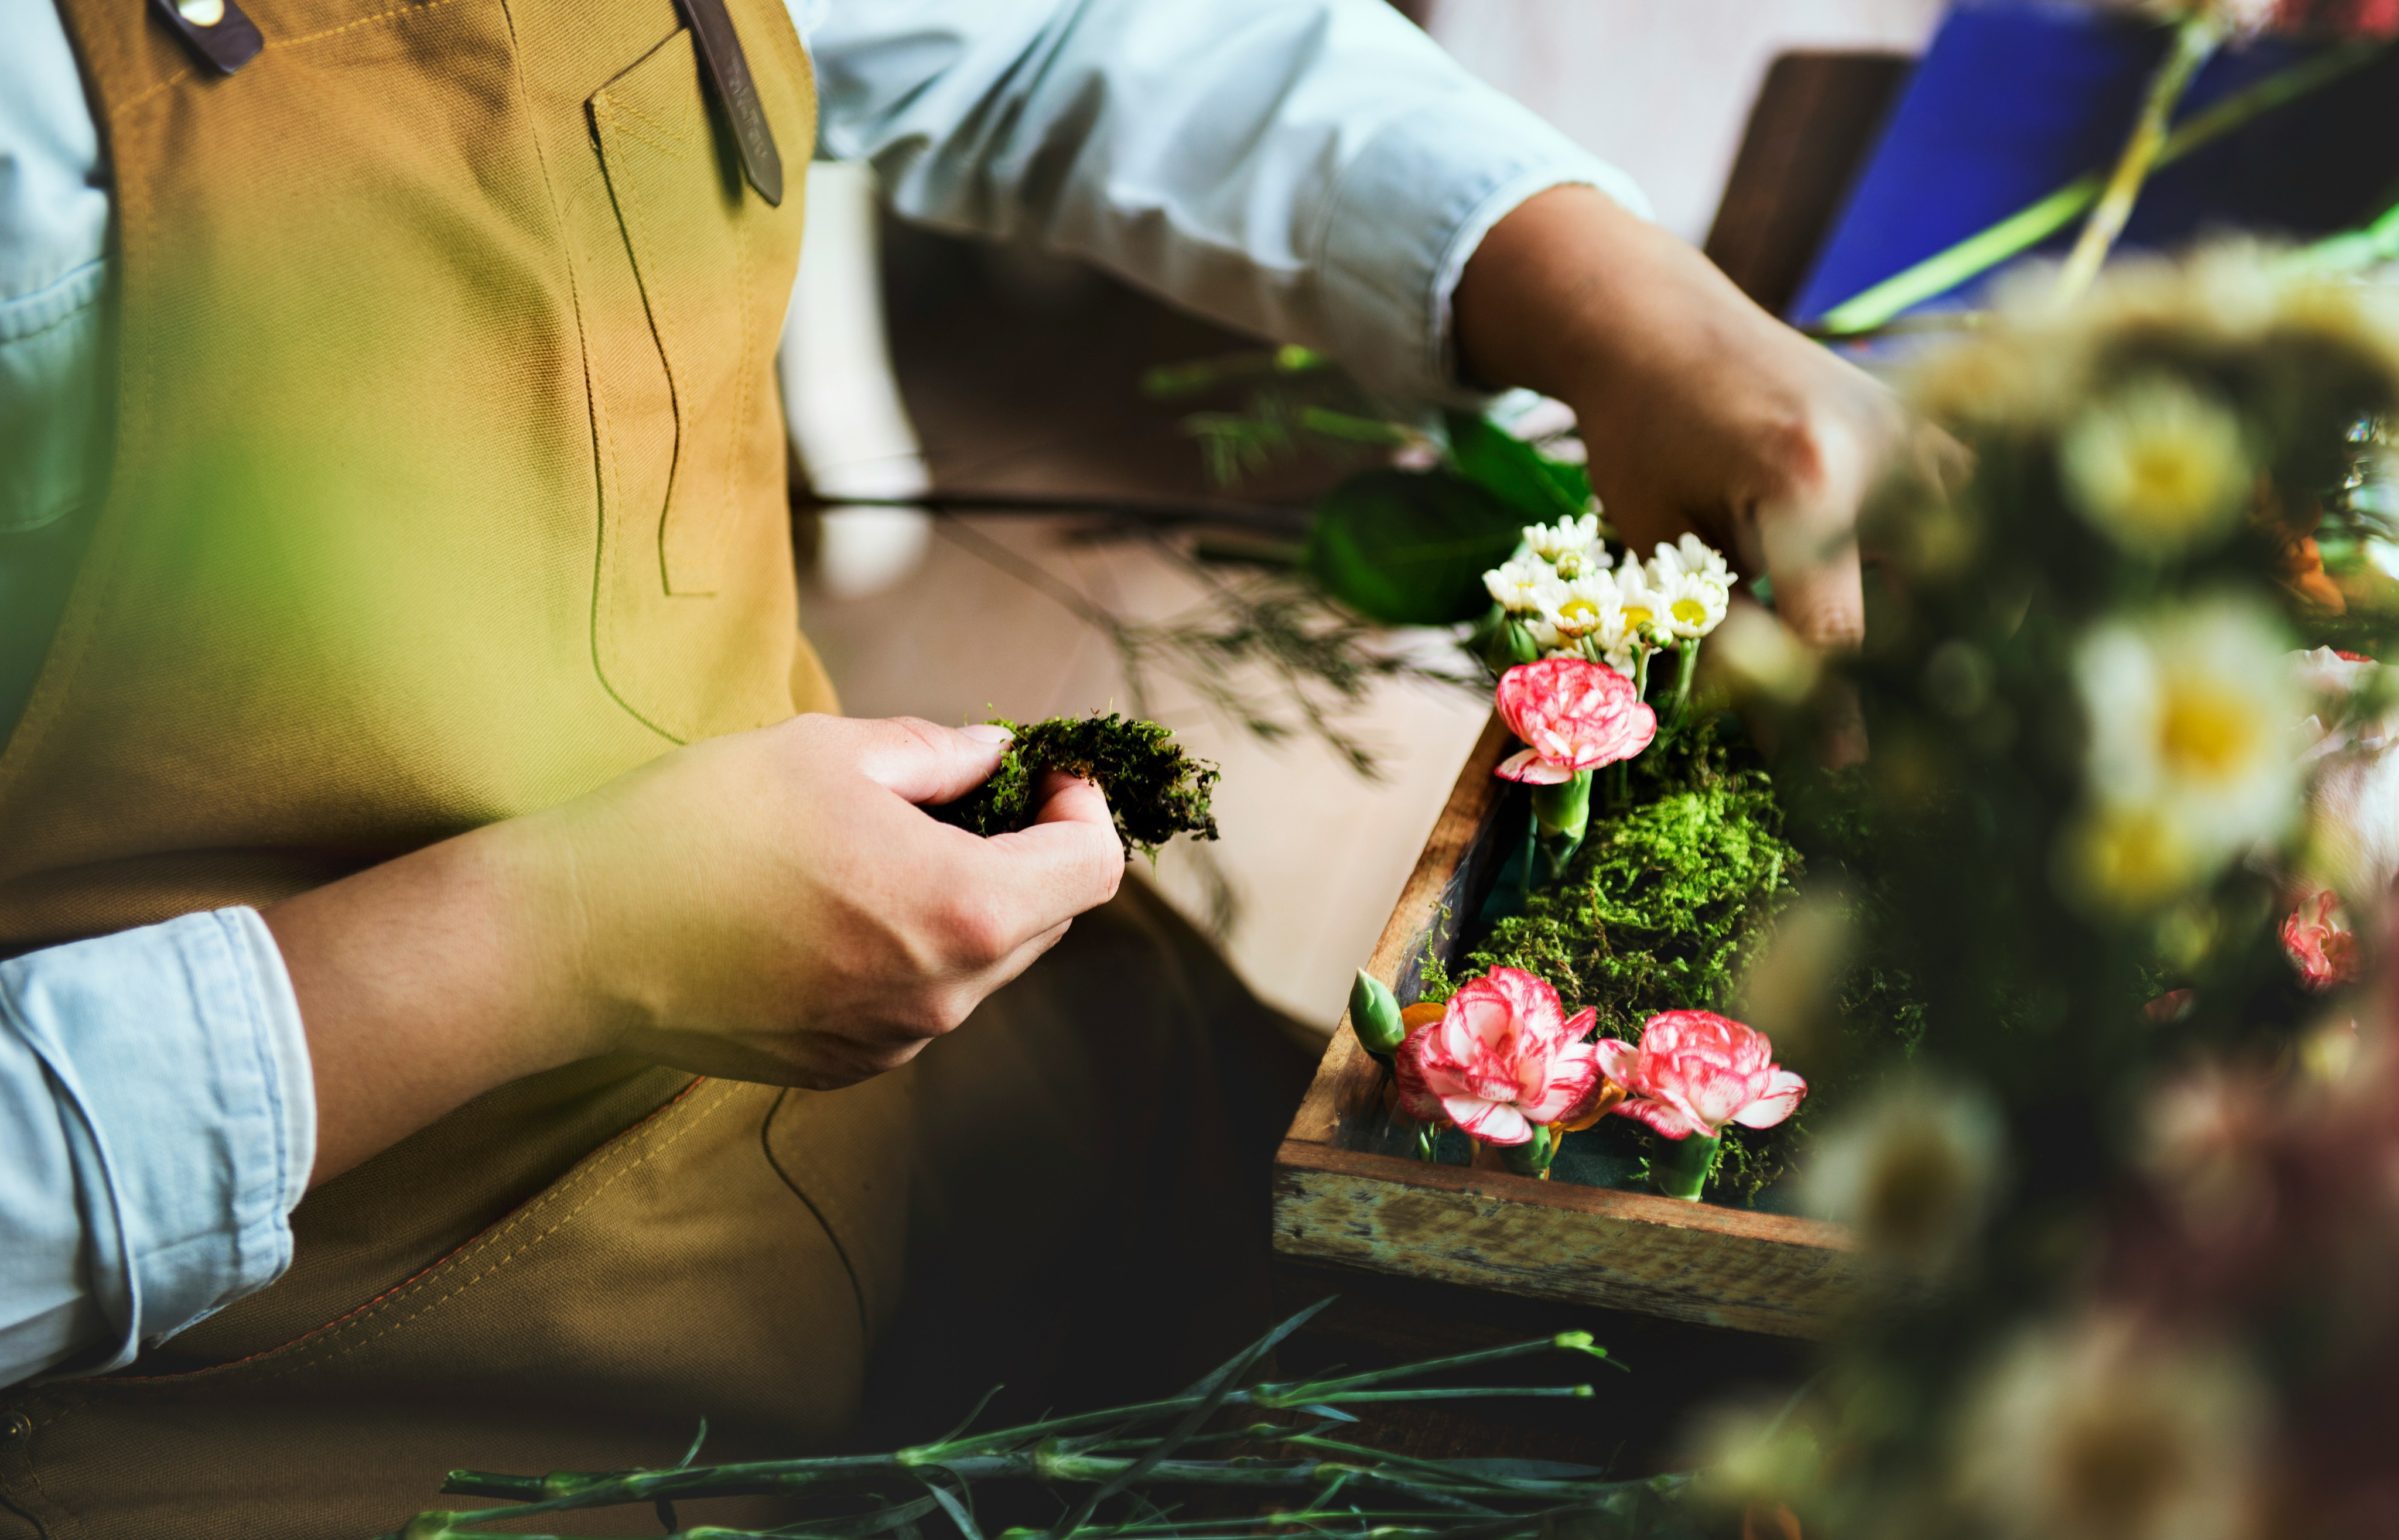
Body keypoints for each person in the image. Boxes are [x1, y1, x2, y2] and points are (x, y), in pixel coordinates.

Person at [0, 0, 1905, 1529]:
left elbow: (1051, 31)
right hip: (339, 1408)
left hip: (957, 1109)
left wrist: (1624, 312)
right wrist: (555, 942)